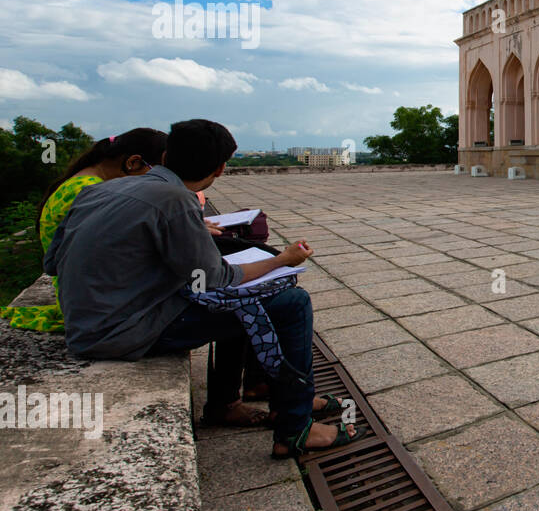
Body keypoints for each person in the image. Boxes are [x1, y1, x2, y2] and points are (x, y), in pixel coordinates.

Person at [44, 118, 361, 457]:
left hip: (88, 322)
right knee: (292, 302)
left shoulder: (98, 190)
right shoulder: (174, 199)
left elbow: (52, 263)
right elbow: (217, 278)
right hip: (122, 329)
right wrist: (282, 259)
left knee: (242, 303)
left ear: (165, 156)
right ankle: (296, 428)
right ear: (221, 168)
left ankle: (240, 399)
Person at [3, 128, 167, 332]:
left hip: (84, 297)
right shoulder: (91, 193)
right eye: (158, 175)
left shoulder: (87, 184)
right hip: (91, 305)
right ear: (133, 163)